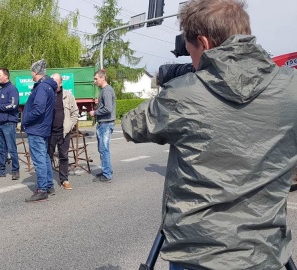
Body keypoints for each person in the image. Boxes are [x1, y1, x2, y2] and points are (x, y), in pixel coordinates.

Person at [121, 0, 297, 269]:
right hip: (267, 251)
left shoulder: (183, 93)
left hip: (198, 255)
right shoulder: (290, 88)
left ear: (203, 43)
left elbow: (131, 125)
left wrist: (183, 82)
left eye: (191, 51)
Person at [22, 59, 57, 202]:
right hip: (43, 128)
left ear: (35, 72)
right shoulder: (48, 86)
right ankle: (48, 185)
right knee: (44, 157)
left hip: (36, 128)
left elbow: (38, 109)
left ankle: (42, 189)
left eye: (31, 71)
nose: (31, 73)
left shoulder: (42, 87)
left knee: (39, 159)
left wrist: (25, 120)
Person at [48, 73, 79, 190]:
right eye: (52, 81)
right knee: (48, 157)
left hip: (64, 132)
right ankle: (48, 180)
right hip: (50, 132)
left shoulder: (68, 96)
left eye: (55, 81)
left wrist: (70, 125)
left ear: (60, 83)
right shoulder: (48, 94)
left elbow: (75, 112)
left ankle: (64, 180)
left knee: (64, 157)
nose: (53, 83)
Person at [0, 68, 20, 180]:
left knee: (11, 148)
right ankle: (1, 170)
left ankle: (15, 170)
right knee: (1, 149)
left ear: (6, 76)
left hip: (9, 123)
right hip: (0, 124)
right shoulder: (1, 90)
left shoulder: (12, 89)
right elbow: (0, 104)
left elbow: (13, 105)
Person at [89, 69, 116, 183]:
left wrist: (95, 112)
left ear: (102, 78)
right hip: (104, 123)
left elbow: (108, 108)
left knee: (104, 150)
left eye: (96, 78)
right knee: (102, 149)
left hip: (105, 124)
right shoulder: (105, 91)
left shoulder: (106, 91)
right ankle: (106, 170)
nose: (95, 81)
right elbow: (106, 106)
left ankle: (107, 174)